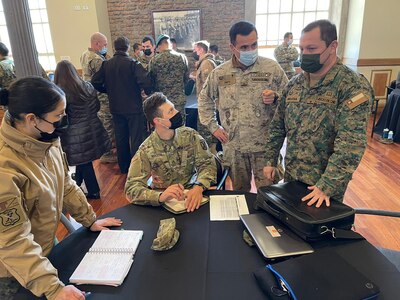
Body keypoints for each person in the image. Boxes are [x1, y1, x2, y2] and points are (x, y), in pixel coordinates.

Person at [0, 77, 122, 300]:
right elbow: (13, 241)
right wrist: (53, 287)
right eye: (58, 116)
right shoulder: (5, 167)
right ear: (31, 119)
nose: (63, 121)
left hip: (44, 246)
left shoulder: (45, 138)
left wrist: (89, 219)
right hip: (13, 270)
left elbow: (65, 184)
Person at [263, 20, 374, 207]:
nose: (305, 54)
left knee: (318, 232)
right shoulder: (294, 84)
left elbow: (350, 145)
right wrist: (270, 159)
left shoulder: (352, 87)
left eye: (312, 49)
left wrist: (327, 185)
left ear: (333, 46)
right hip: (292, 177)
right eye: (302, 48)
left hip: (324, 188)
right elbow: (277, 125)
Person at [198, 21, 288, 192]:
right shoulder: (220, 73)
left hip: (265, 147)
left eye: (254, 44)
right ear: (232, 47)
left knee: (271, 196)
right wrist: (213, 126)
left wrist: (276, 97)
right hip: (234, 148)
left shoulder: (272, 68)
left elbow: (291, 99)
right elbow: (204, 99)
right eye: (244, 47)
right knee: (240, 195)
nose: (250, 50)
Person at [125, 92, 216, 212]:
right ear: (158, 121)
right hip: (165, 203)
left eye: (173, 108)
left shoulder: (190, 135)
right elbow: (131, 188)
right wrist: (160, 196)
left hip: (193, 193)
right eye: (171, 111)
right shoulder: (146, 150)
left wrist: (199, 186)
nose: (177, 113)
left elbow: (208, 164)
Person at [92, 36, 153, 174]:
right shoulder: (132, 63)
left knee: (121, 138)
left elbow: (95, 81)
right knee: (136, 138)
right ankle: (136, 168)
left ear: (114, 48)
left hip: (116, 108)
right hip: (134, 108)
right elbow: (145, 81)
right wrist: (147, 92)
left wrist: (106, 90)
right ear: (127, 47)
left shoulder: (106, 64)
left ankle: (124, 167)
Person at [54, 60, 111, 199]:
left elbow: (61, 115)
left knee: (84, 161)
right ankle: (77, 182)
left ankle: (94, 191)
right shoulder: (87, 86)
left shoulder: (60, 92)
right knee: (84, 159)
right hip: (93, 128)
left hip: (74, 133)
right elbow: (96, 106)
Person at [80, 32, 116, 164]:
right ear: (96, 44)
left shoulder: (85, 55)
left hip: (91, 96)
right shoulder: (97, 60)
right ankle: (108, 153)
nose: (106, 47)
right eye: (104, 44)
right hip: (102, 97)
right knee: (107, 124)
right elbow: (107, 78)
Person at [149, 34, 189, 119]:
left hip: (162, 102)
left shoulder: (155, 60)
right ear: (170, 43)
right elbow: (186, 78)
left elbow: (151, 81)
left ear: (159, 45)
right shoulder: (182, 57)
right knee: (180, 128)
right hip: (179, 100)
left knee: (165, 128)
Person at [191, 40, 217, 150]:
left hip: (207, 106)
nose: (194, 52)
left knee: (207, 135)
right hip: (203, 104)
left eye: (195, 49)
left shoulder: (207, 63)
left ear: (201, 50)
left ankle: (212, 159)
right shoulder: (203, 63)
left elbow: (209, 86)